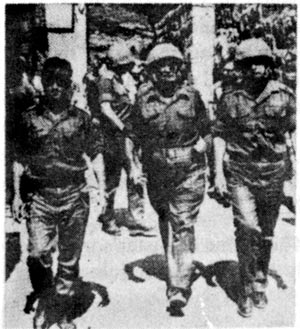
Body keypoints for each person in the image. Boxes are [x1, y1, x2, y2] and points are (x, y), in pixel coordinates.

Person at [12, 57, 106, 329]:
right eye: (49, 81)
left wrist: (101, 190)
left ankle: (62, 312)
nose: (55, 87)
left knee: (69, 259)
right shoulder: (28, 118)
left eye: (61, 82)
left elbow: (96, 153)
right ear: (42, 83)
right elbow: (19, 158)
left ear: (69, 86)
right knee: (38, 253)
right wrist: (17, 195)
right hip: (40, 195)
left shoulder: (82, 120)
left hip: (74, 195)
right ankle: (44, 300)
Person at [212, 38, 296, 317]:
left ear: (270, 66)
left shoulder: (284, 95)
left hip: (273, 172)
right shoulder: (231, 97)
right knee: (248, 228)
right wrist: (218, 175)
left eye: (262, 62)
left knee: (267, 234)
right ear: (241, 67)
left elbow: (291, 135)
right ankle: (245, 289)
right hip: (241, 172)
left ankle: (260, 284)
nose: (257, 68)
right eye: (250, 63)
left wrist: (294, 178)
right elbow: (219, 136)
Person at [126, 43, 210, 316]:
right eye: (160, 67)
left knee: (182, 223)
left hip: (189, 172)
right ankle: (174, 266)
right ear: (152, 72)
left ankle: (178, 288)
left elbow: (209, 131)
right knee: (165, 220)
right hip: (157, 174)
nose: (167, 71)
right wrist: (133, 166)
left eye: (172, 65)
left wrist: (203, 145)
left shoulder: (192, 97)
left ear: (179, 69)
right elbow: (131, 135)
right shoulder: (142, 100)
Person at [95, 41, 155, 237]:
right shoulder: (106, 79)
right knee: (112, 179)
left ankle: (137, 219)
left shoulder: (125, 78)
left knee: (136, 175)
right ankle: (108, 217)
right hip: (113, 137)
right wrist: (122, 127)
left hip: (131, 135)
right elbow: (106, 109)